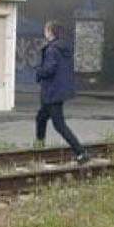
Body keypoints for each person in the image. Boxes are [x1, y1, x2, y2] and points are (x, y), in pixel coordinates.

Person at [34, 20, 88, 160]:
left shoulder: (52, 49)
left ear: (50, 32)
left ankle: (81, 153)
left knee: (59, 125)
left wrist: (39, 72)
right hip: (56, 92)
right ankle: (39, 146)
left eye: (45, 30)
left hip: (52, 93)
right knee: (41, 118)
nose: (44, 32)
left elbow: (49, 69)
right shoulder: (63, 48)